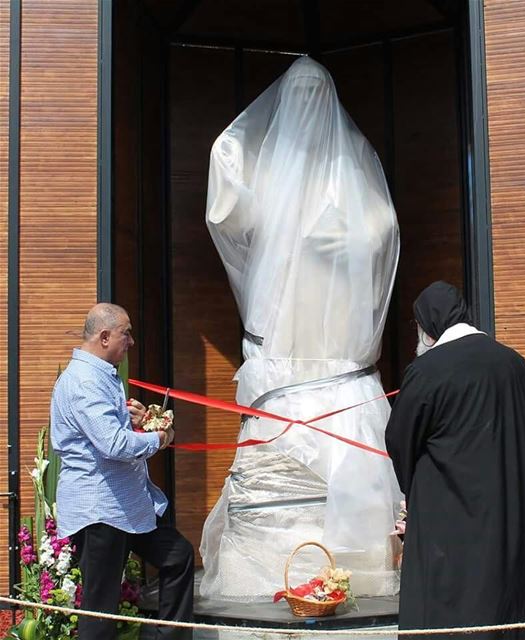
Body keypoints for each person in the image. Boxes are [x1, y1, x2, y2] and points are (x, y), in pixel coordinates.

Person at [199, 56, 402, 599]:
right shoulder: (265, 164)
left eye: (318, 94)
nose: (308, 106)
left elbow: (383, 224)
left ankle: (349, 571)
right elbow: (231, 216)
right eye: (300, 94)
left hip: (334, 332)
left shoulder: (353, 156)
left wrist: (353, 238)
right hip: (283, 334)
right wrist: (226, 164)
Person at [385, 281, 525, 639]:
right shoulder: (513, 363)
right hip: (515, 520)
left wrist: (417, 491)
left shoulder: (427, 372)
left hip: (456, 528)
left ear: (428, 328)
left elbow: (400, 440)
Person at [51, 303, 194, 640]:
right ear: (104, 336)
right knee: (99, 609)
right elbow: (113, 445)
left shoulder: (102, 375)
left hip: (126, 505)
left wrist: (142, 423)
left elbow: (112, 432)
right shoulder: (85, 381)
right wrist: (159, 438)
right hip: (99, 509)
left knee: (178, 556)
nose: (131, 341)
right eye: (125, 333)